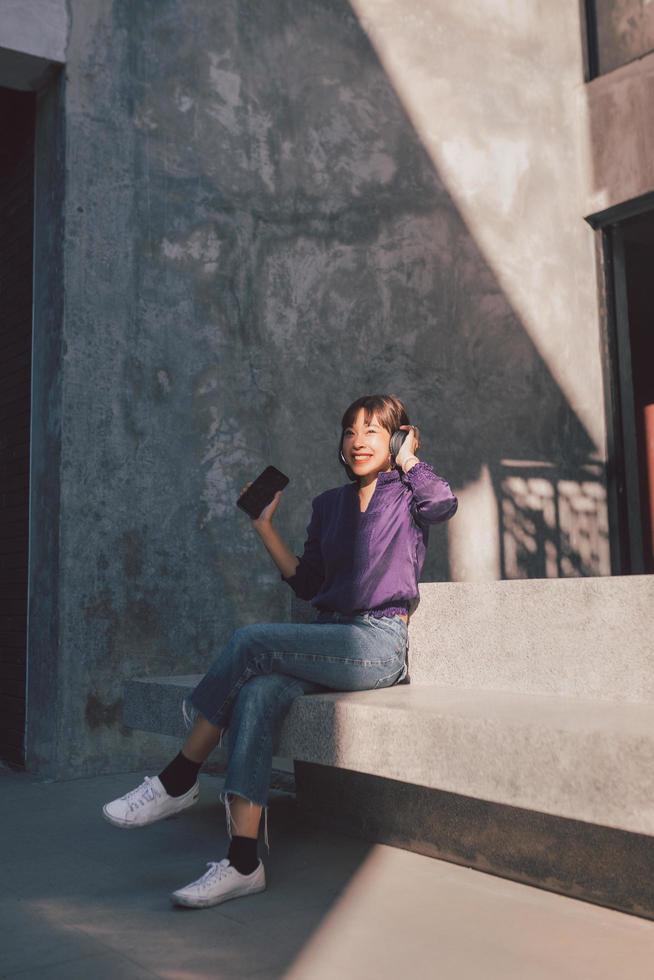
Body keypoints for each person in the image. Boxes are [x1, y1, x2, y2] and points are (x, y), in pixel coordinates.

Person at [102, 393, 458, 909]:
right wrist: (264, 525)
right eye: (349, 431)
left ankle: (178, 778)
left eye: (374, 431)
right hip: (329, 637)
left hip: (377, 642)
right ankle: (243, 862)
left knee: (252, 641)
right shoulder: (328, 506)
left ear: (400, 436)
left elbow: (443, 505)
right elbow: (309, 583)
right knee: (258, 693)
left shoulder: (409, 493)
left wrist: (409, 459)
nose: (357, 441)